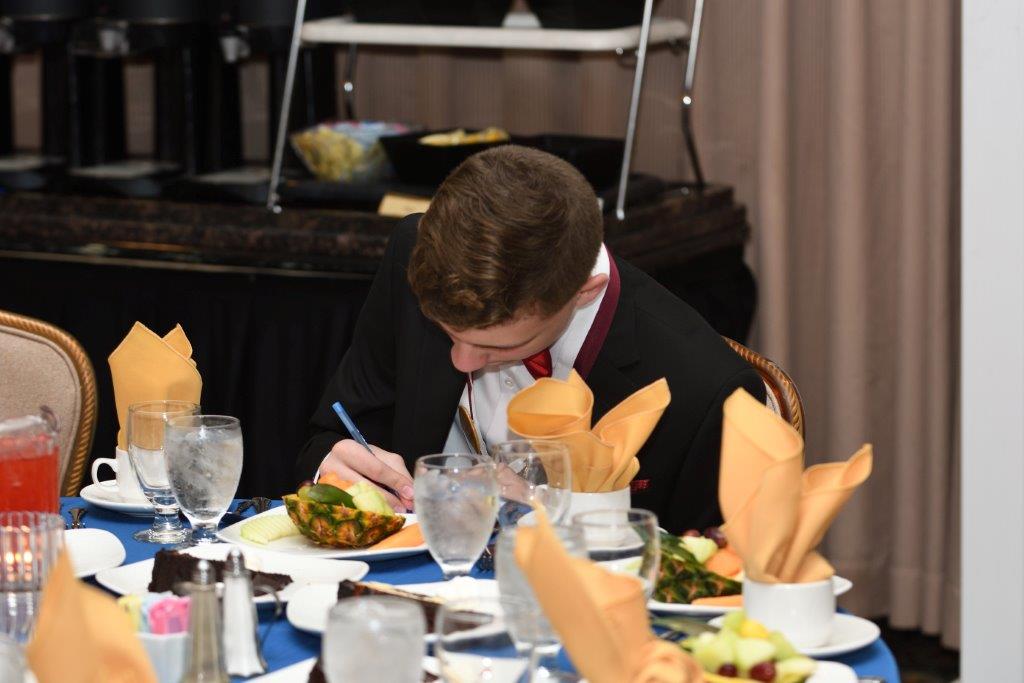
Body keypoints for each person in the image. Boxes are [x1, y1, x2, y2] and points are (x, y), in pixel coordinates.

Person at [295, 145, 765, 532]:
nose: (462, 361)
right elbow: (334, 433)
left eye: (498, 347)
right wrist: (333, 465)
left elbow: (705, 578)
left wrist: (549, 512)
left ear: (584, 291)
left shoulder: (703, 391)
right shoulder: (413, 254)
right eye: (447, 333)